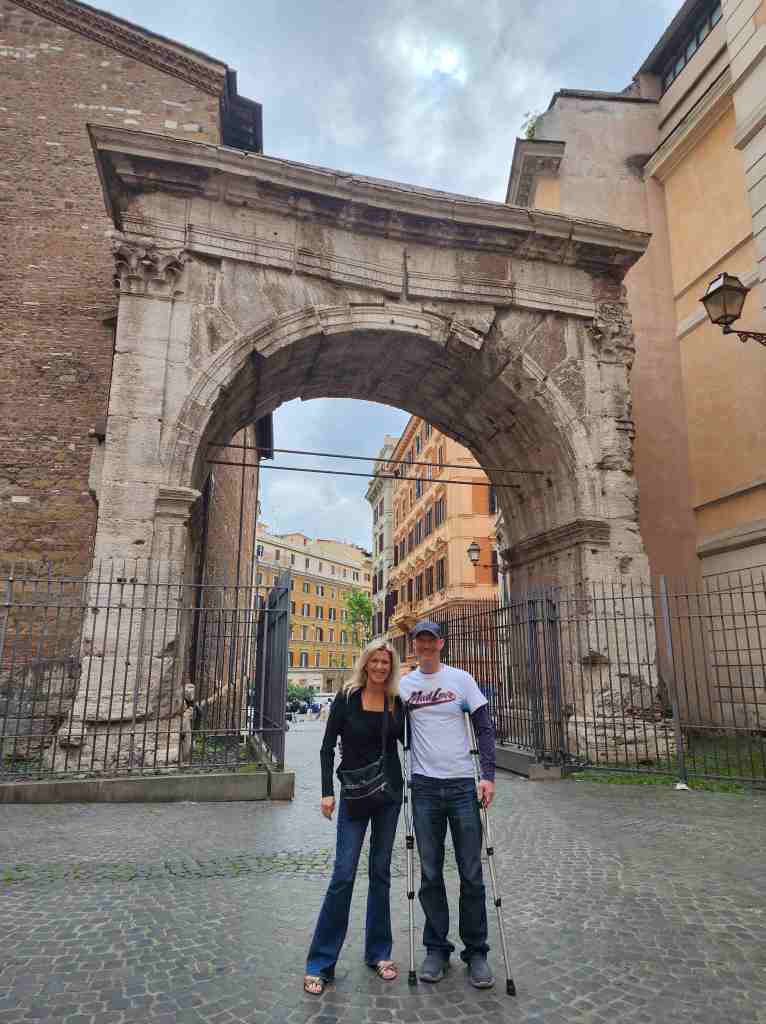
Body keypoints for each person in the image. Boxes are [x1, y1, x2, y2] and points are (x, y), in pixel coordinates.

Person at [398, 620, 497, 989]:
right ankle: (436, 948)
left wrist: (488, 775)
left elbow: (484, 727)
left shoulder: (461, 679)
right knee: (430, 873)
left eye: (431, 640)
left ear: (440, 643)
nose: (425, 646)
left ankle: (477, 952)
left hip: (462, 787)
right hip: (424, 787)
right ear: (414, 645)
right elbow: (387, 728)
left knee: (471, 872)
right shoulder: (404, 686)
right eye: (419, 641)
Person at [303, 640, 405, 995]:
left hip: (389, 795)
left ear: (391, 668)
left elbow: (410, 741)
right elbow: (326, 747)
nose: (379, 667)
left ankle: (379, 952)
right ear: (365, 664)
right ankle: (320, 962)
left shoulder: (396, 701)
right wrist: (326, 791)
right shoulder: (347, 697)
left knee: (381, 873)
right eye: (374, 661)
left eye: (385, 663)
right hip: (354, 796)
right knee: (343, 874)